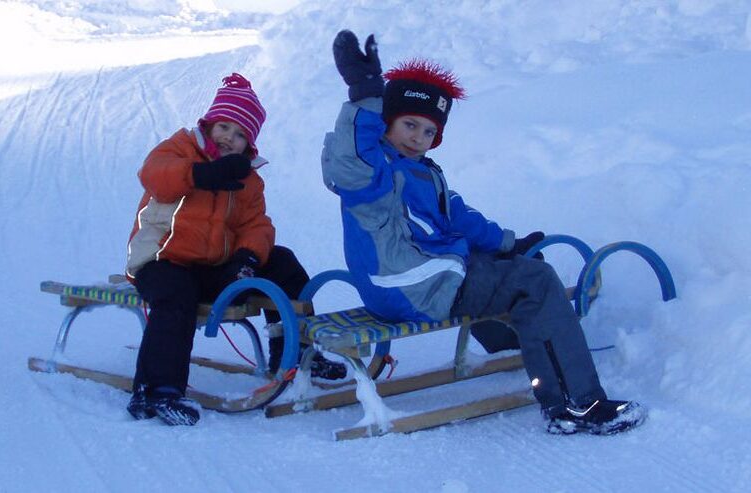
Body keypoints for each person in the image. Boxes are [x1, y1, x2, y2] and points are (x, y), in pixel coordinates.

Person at [322, 30, 646, 435]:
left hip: (422, 276)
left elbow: (458, 218)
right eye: (408, 124)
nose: (417, 138)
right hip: (409, 284)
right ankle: (578, 406)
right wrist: (365, 94)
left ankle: (523, 346)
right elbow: (350, 160)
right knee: (536, 281)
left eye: (428, 131)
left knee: (506, 264)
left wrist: (511, 245)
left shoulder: (419, 171)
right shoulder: (375, 176)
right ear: (386, 121)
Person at [124, 73, 345, 426]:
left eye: (240, 134)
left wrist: (246, 258)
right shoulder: (179, 149)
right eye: (224, 127)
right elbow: (154, 175)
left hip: (213, 266)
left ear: (250, 144)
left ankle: (296, 352)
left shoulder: (248, 180)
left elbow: (256, 225)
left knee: (283, 262)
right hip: (163, 260)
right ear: (209, 125)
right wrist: (199, 175)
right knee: (175, 295)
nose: (230, 137)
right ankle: (156, 390)